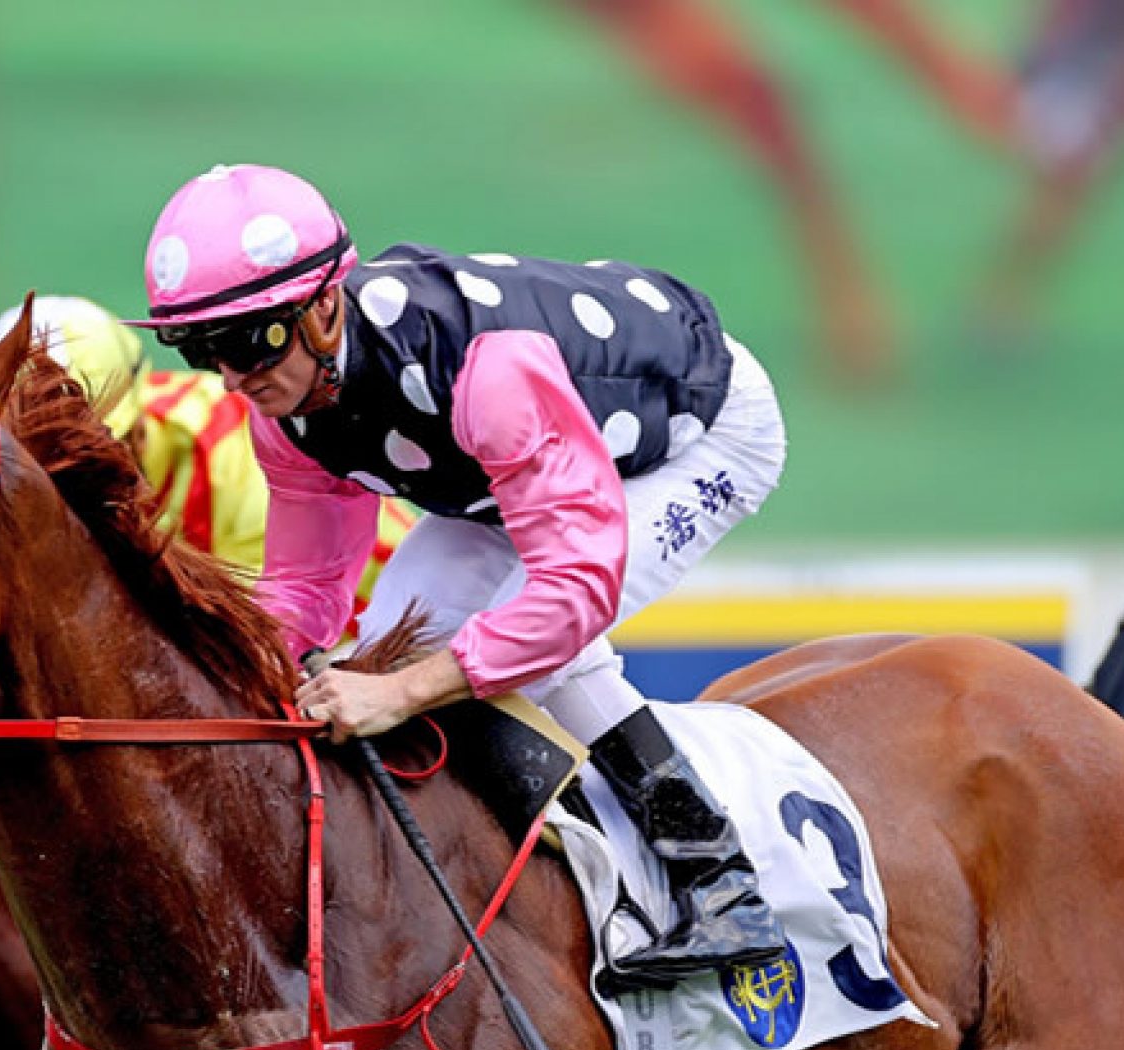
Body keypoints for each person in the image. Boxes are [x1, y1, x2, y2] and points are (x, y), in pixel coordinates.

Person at [126, 164, 790, 990]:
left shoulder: (489, 374)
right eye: (200, 349)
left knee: (537, 649)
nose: (231, 377)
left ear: (325, 304)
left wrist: (402, 695)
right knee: (386, 643)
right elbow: (302, 597)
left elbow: (570, 597)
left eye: (249, 340)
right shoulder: (287, 418)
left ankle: (721, 885)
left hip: (699, 433)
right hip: (512, 467)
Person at [0, 296, 412, 621]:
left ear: (136, 413)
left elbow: (266, 630)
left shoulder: (233, 449)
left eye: (90, 453)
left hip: (377, 613)